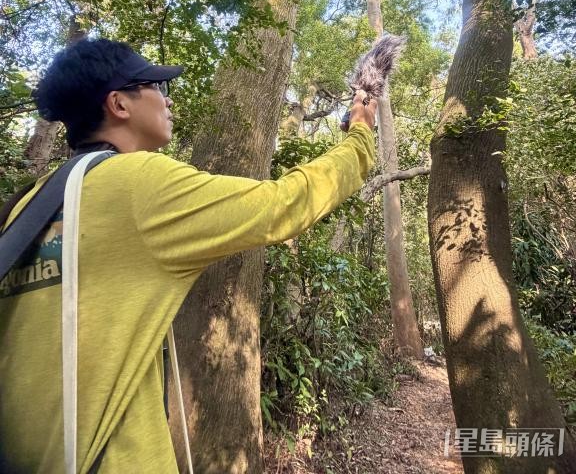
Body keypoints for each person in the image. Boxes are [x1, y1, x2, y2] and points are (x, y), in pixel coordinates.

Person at [0, 38, 376, 473]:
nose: (168, 98)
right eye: (156, 86)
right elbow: (284, 204)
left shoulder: (27, 203)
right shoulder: (139, 185)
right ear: (119, 104)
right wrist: (361, 134)